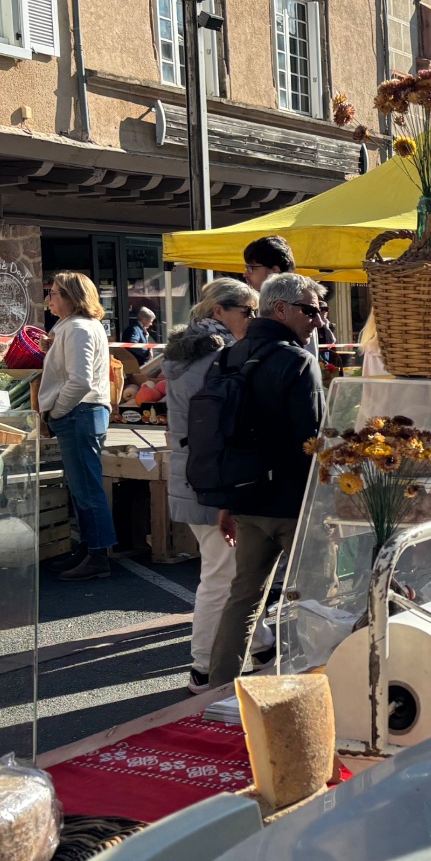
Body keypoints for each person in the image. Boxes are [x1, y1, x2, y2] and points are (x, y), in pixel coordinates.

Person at [198, 273, 327, 685]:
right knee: (316, 601)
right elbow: (312, 441)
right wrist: (323, 505)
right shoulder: (298, 360)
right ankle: (316, 690)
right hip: (294, 504)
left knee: (243, 599)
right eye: (310, 310)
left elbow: (222, 437)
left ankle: (217, 690)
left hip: (247, 499)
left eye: (320, 311)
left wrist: (226, 501)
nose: (318, 320)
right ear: (281, 309)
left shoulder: (230, 356)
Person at [163, 278, 258, 689]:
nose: (252, 319)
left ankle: (259, 643)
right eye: (247, 311)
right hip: (210, 478)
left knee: (225, 572)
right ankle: (202, 666)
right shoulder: (218, 356)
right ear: (219, 311)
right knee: (220, 576)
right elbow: (222, 427)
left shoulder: (187, 353)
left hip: (190, 474)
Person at [39, 272, 116, 581]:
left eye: (55, 293)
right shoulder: (74, 325)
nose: (50, 299)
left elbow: (80, 380)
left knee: (86, 487)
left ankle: (97, 556)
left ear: (71, 296)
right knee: (81, 486)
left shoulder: (79, 327)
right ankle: (88, 549)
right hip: (81, 412)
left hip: (80, 412)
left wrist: (57, 411)